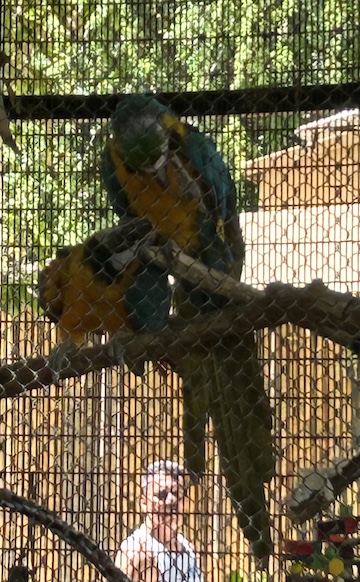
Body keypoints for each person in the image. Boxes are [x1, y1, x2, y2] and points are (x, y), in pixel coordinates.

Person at [115, 460, 204, 582]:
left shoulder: (188, 550)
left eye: (176, 494)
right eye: (162, 494)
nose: (171, 501)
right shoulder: (134, 551)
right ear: (144, 502)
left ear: (186, 503)